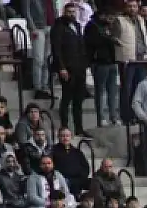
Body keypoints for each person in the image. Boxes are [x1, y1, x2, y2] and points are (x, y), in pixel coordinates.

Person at [51, 2, 89, 135]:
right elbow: (57, 49)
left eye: (74, 12)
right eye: (69, 12)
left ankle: (79, 128)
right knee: (67, 98)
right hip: (67, 68)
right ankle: (64, 126)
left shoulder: (77, 26)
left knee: (79, 99)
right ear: (64, 12)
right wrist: (61, 67)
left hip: (79, 67)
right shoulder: (58, 26)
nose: (72, 14)